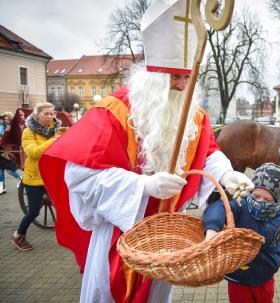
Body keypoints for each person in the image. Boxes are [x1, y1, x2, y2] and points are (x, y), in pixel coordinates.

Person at [38, 1, 253, 302]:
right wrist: (144, 186)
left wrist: (226, 174)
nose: (181, 86)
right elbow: (79, 175)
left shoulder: (194, 113)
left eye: (186, 77)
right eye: (173, 77)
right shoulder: (114, 111)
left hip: (168, 239)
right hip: (120, 230)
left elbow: (207, 152)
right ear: (153, 75)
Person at [203, 163, 280, 303]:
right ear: (250, 191)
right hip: (238, 276)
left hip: (264, 275)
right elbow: (220, 207)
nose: (260, 202)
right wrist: (212, 229)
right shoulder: (240, 203)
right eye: (256, 196)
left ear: (277, 200)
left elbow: (262, 236)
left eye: (267, 199)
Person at [10, 102, 60, 251]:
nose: (50, 116)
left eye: (52, 113)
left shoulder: (56, 130)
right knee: (33, 211)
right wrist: (53, 141)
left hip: (52, 175)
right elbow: (33, 153)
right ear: (37, 115)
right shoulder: (28, 132)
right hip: (35, 178)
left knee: (65, 203)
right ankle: (18, 235)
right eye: (46, 114)